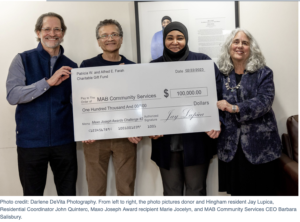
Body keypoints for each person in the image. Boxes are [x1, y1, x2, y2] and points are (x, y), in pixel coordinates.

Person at [6, 12, 78, 196]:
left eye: (57, 29)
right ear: (38, 32)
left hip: (64, 143)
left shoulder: (72, 66)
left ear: (63, 33)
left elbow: (78, 105)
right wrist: (47, 83)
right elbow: (13, 95)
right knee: (32, 198)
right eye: (46, 29)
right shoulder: (22, 59)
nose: (52, 33)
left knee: (68, 196)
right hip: (30, 144)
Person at [149, 21, 222, 196]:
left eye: (180, 38)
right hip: (166, 142)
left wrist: (216, 120)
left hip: (197, 140)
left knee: (196, 191)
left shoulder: (203, 61)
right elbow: (147, 103)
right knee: (171, 193)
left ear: (186, 39)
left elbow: (218, 94)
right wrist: (149, 125)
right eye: (170, 38)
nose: (175, 42)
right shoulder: (152, 67)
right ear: (164, 40)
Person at [216, 28, 282, 196]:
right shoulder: (221, 75)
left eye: (245, 43)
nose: (240, 46)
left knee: (262, 195)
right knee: (238, 196)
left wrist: (234, 108)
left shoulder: (263, 73)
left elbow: (265, 101)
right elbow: (212, 102)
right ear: (228, 47)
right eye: (236, 42)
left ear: (251, 48)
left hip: (260, 146)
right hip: (231, 146)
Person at [80, 19, 142, 196]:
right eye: (104, 35)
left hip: (125, 136)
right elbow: (81, 100)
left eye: (114, 34)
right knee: (95, 189)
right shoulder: (86, 66)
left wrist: (137, 128)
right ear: (99, 41)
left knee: (126, 188)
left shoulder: (133, 68)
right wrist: (85, 128)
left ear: (121, 39)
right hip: (95, 137)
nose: (110, 38)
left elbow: (139, 101)